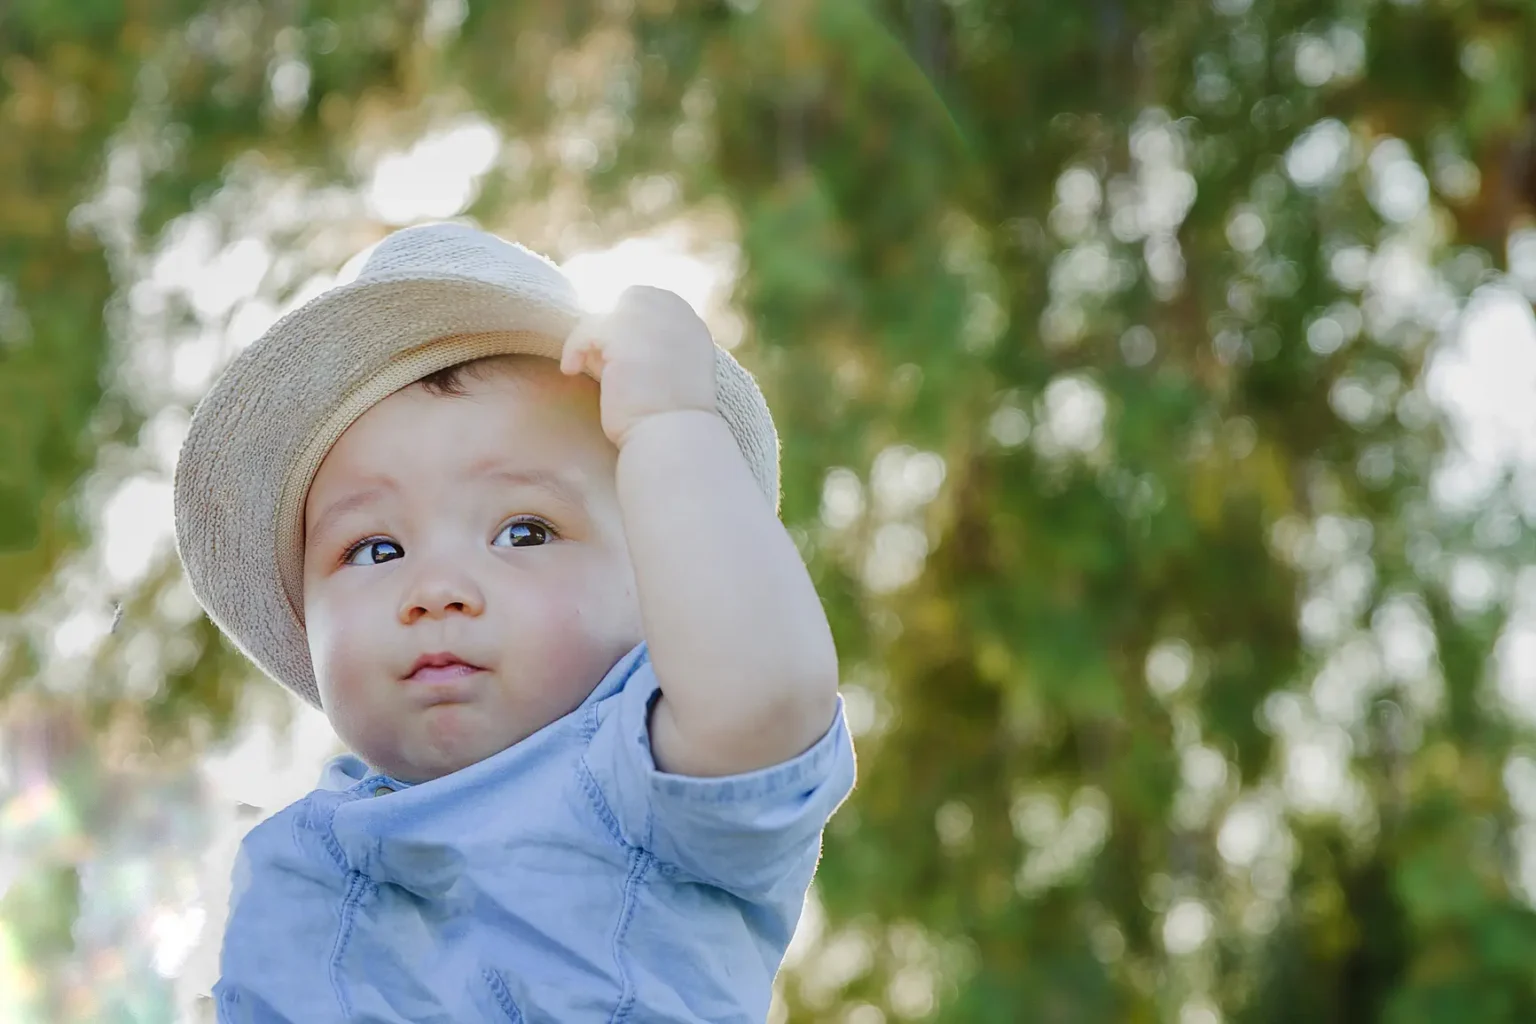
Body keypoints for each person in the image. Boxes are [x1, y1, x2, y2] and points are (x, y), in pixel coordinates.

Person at [173, 221, 857, 1022]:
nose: (434, 590)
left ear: (656, 587)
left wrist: (671, 426)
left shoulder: (651, 775)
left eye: (524, 532)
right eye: (374, 547)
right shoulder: (287, 859)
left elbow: (766, 697)